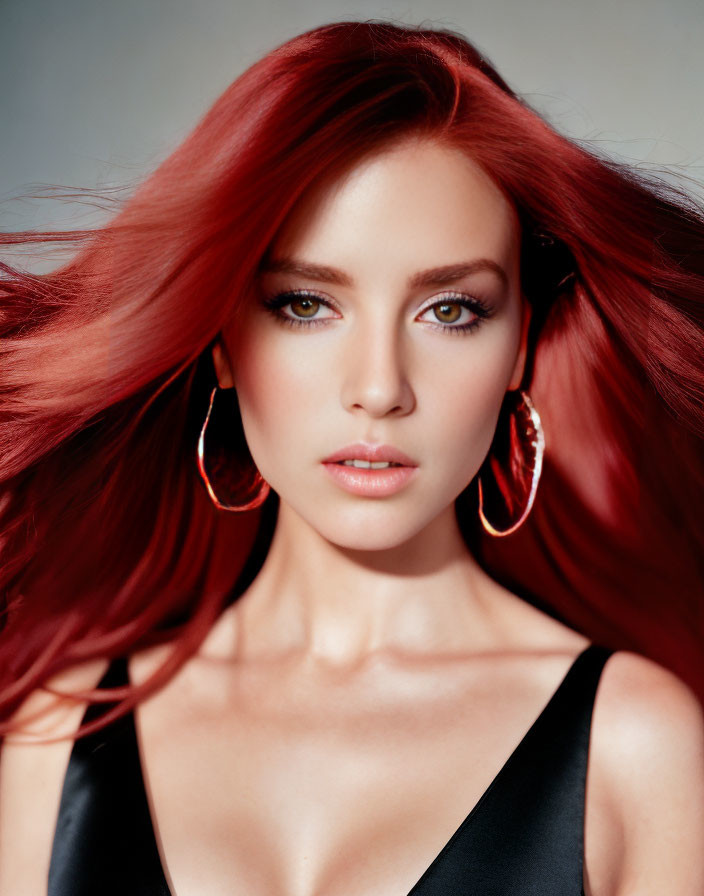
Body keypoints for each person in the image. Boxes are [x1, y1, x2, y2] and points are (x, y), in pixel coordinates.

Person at [1, 18, 703, 896]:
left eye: (451, 311)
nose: (379, 388)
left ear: (521, 342)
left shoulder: (634, 748)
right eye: (305, 304)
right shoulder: (63, 731)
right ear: (221, 337)